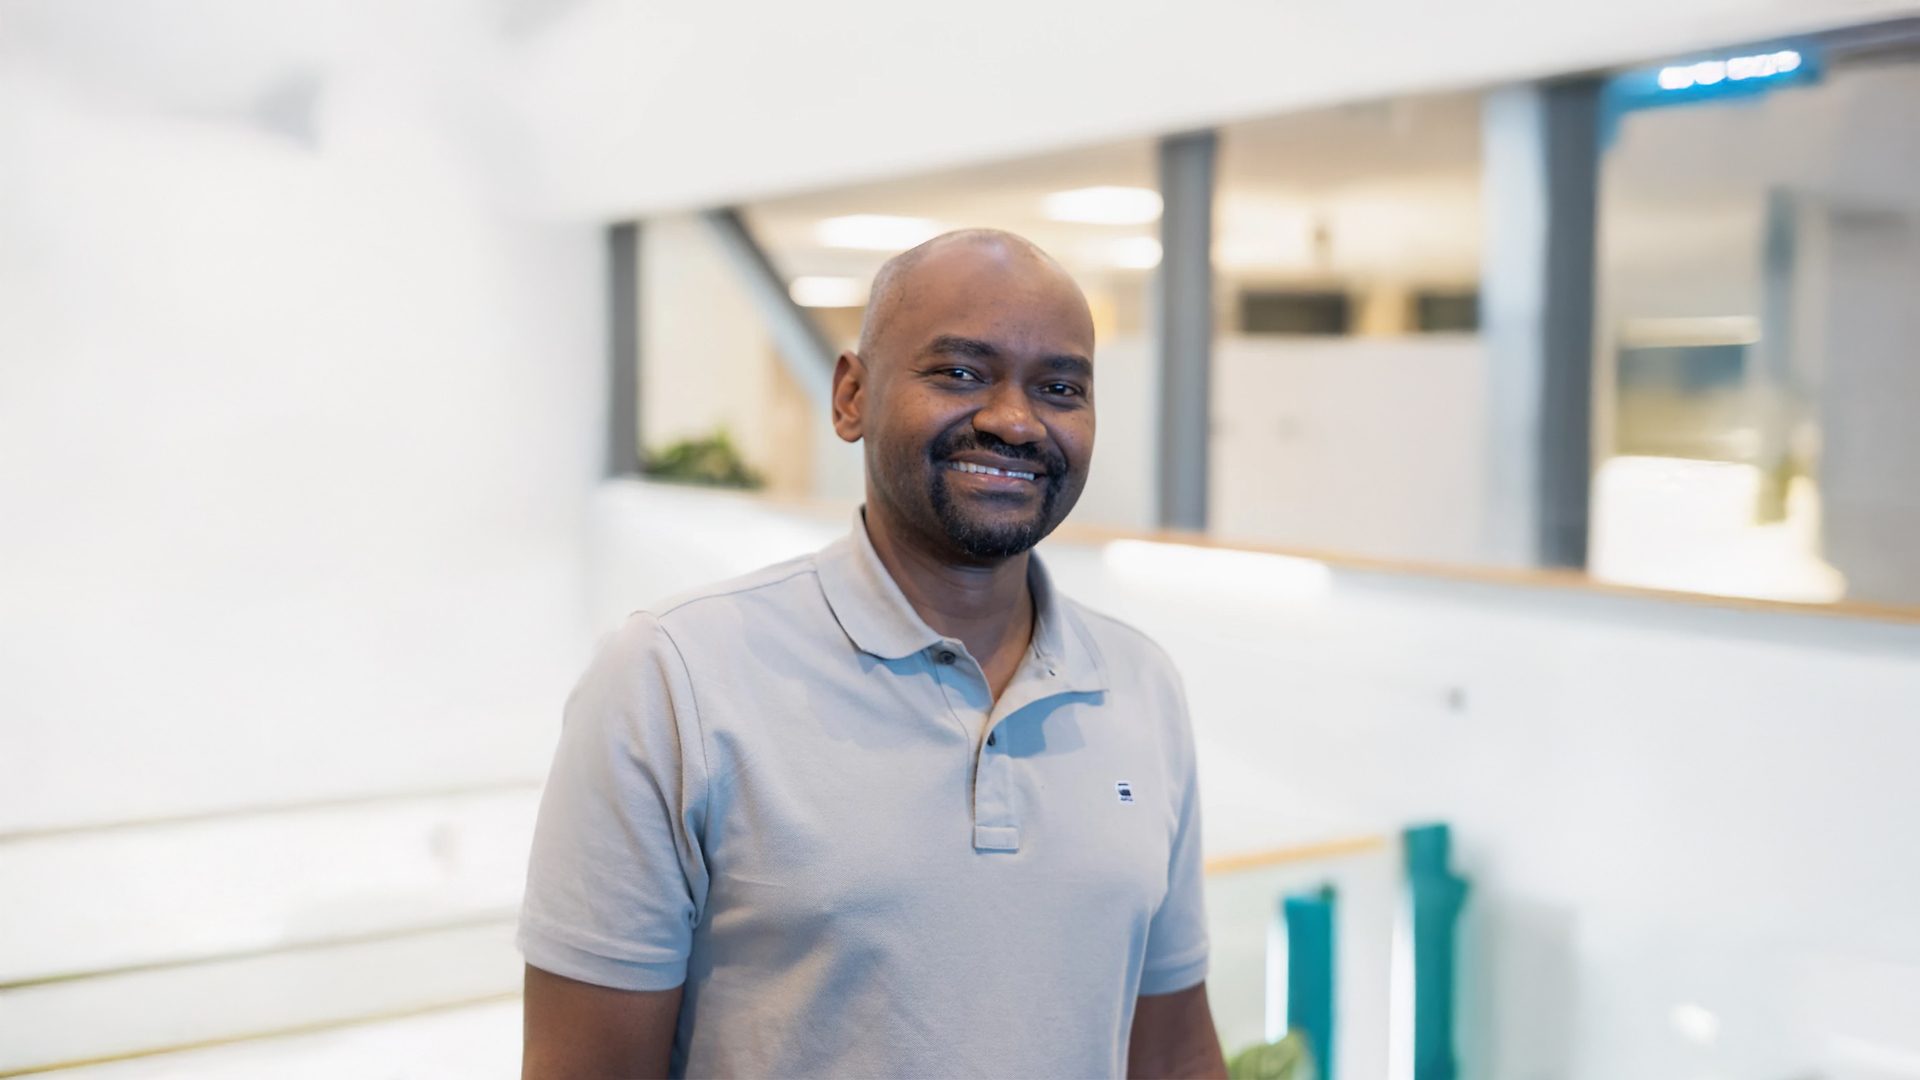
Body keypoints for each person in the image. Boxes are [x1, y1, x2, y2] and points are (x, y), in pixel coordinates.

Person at [518, 229, 1224, 1079]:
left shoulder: (1140, 686)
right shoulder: (674, 678)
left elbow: (1173, 1049)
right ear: (850, 396)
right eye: (960, 372)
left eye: (1060, 387)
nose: (1013, 419)